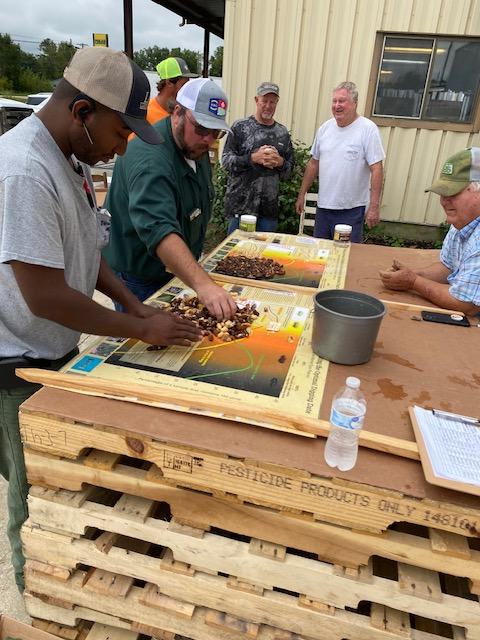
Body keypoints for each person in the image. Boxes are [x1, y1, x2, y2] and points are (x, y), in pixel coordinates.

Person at [0, 47, 202, 592]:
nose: (123, 145)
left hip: (51, 352)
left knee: (61, 478)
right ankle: (36, 595)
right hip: (14, 367)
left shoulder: (69, 157)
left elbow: (86, 252)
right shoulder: (23, 170)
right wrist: (142, 330)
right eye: (120, 131)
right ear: (83, 112)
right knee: (35, 492)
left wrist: (135, 305)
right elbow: (44, 295)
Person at [103, 78, 237, 321]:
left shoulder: (194, 146)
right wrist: (203, 285)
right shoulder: (150, 160)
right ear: (178, 113)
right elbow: (159, 229)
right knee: (147, 347)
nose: (208, 139)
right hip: (138, 277)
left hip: (172, 271)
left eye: (216, 132)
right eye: (201, 128)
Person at [380, 148, 480, 314]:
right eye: (442, 192)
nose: (444, 201)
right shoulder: (463, 221)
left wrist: (412, 281)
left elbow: (464, 303)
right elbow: (448, 267)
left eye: (452, 192)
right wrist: (411, 274)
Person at [295, 81, 385, 242]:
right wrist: (302, 194)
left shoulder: (368, 129)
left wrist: (374, 206)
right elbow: (313, 163)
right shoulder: (325, 129)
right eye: (334, 101)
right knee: (320, 256)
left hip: (351, 210)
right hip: (323, 208)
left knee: (346, 257)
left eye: (342, 101)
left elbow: (377, 168)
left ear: (354, 103)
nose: (337, 105)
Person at [222, 82, 294, 233]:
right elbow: (226, 161)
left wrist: (280, 162)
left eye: (272, 102)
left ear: (277, 103)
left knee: (263, 255)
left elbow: (289, 171)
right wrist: (253, 158)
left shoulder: (282, 133)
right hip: (240, 207)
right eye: (264, 101)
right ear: (256, 100)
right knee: (235, 254)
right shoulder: (240, 127)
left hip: (268, 211)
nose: (268, 106)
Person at [131, 56, 198, 136]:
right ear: (169, 82)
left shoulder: (183, 113)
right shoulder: (145, 114)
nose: (187, 89)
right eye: (184, 84)